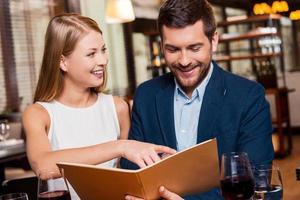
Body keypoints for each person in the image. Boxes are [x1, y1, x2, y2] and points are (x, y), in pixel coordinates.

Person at [121, 0, 274, 199]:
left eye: (194, 48)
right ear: (161, 46)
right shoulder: (146, 95)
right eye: (173, 50)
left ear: (214, 41)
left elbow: (255, 183)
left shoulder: (248, 97)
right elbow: (130, 169)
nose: (184, 61)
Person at [22, 13, 176, 199]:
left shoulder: (118, 107)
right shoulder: (39, 114)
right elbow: (44, 167)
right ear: (62, 61)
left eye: (103, 50)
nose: (102, 60)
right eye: (91, 54)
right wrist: (120, 147)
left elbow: (129, 175)